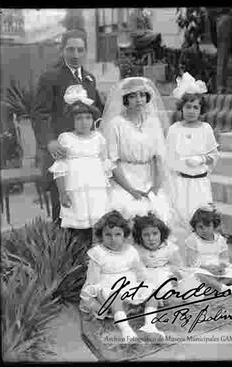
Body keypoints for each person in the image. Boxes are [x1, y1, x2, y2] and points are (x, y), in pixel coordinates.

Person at [32, 29, 104, 223]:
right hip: (62, 151)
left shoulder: (89, 79)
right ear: (62, 50)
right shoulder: (50, 77)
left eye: (80, 50)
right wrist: (49, 141)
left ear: (86, 51)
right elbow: (40, 114)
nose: (75, 55)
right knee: (63, 209)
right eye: (70, 49)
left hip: (84, 154)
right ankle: (63, 251)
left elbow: (96, 111)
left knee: (85, 208)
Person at [100, 77, 176, 226]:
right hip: (124, 178)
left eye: (142, 95)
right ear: (125, 100)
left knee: (158, 210)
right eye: (133, 96)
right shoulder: (116, 124)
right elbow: (112, 162)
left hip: (149, 177)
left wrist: (155, 187)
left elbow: (158, 158)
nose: (139, 99)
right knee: (127, 210)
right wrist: (131, 190)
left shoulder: (153, 122)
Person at [79, 210, 165, 339]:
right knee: (115, 298)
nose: (113, 239)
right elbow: (92, 280)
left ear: (124, 235)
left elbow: (140, 271)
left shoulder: (130, 250)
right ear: (101, 235)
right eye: (108, 235)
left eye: (117, 234)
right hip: (109, 288)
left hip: (130, 285)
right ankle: (127, 331)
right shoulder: (98, 253)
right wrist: (91, 298)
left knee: (152, 293)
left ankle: (150, 326)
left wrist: (145, 286)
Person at [48, 86, 110, 249]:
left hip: (96, 189)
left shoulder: (99, 138)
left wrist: (107, 189)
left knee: (97, 226)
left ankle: (97, 260)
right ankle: (78, 262)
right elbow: (60, 169)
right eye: (79, 118)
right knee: (77, 229)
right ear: (72, 121)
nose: (84, 122)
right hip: (75, 189)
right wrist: (62, 193)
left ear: (93, 119)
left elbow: (105, 164)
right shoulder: (66, 138)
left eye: (88, 118)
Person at [166, 73, 220, 227]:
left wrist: (202, 159)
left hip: (200, 183)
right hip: (181, 183)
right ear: (181, 108)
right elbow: (168, 159)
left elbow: (214, 155)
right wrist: (180, 164)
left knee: (202, 220)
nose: (191, 111)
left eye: (195, 107)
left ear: (201, 109)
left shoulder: (206, 129)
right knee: (181, 219)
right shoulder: (174, 129)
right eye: (188, 107)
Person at [132, 212, 203, 303]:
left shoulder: (168, 247)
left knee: (193, 290)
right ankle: (159, 299)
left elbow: (178, 265)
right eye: (146, 235)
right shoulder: (137, 250)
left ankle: (172, 295)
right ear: (140, 237)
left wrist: (175, 275)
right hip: (147, 276)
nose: (151, 238)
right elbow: (138, 271)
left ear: (161, 234)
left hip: (167, 273)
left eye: (155, 233)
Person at [185, 205, 232, 296]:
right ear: (195, 226)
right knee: (197, 275)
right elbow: (192, 262)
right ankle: (224, 288)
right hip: (201, 269)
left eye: (208, 226)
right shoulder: (193, 240)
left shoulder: (220, 240)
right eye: (200, 227)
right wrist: (207, 268)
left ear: (214, 225)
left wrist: (221, 266)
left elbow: (224, 258)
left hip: (216, 270)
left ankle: (211, 286)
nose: (204, 230)